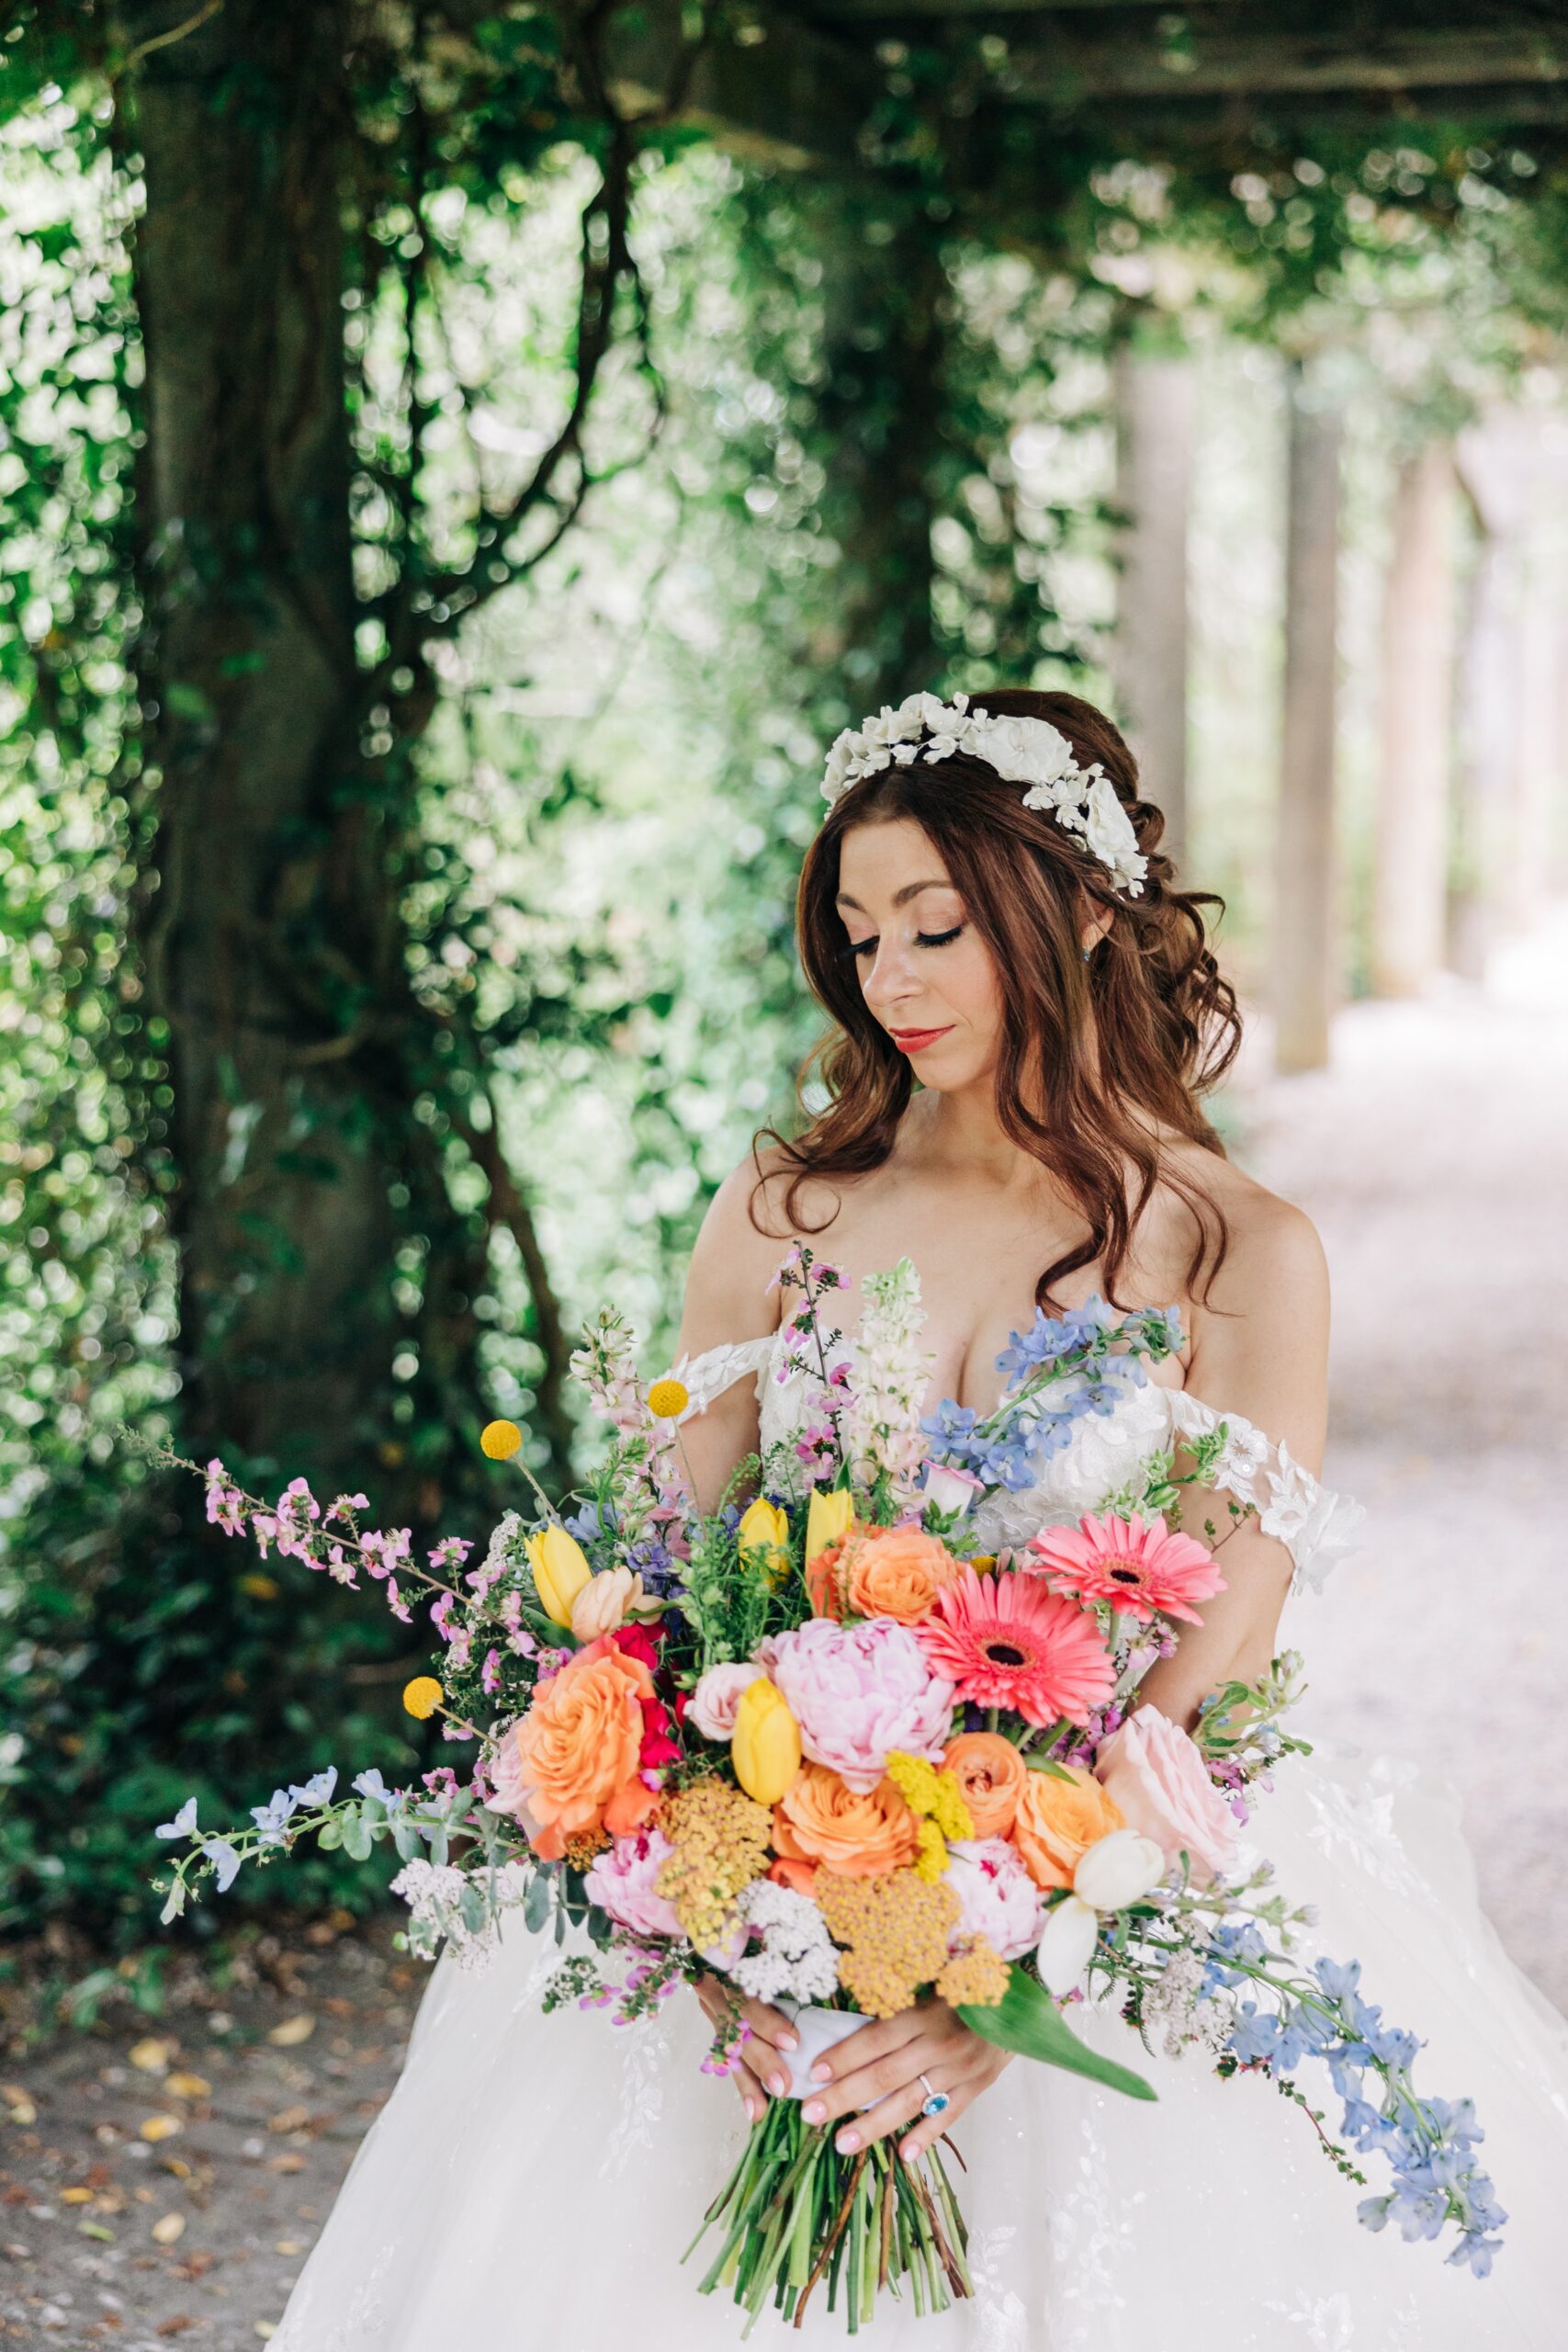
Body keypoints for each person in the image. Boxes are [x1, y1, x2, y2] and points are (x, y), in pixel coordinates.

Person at [275, 689, 1568, 2349]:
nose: (890, 979)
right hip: (759, 1905)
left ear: (1083, 909)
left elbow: (1223, 1651)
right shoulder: (783, 1211)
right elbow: (669, 1589)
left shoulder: (1239, 1249)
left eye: (935, 927)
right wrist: (710, 1906)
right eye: (861, 933)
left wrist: (1017, 1981)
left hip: (1099, 1888)